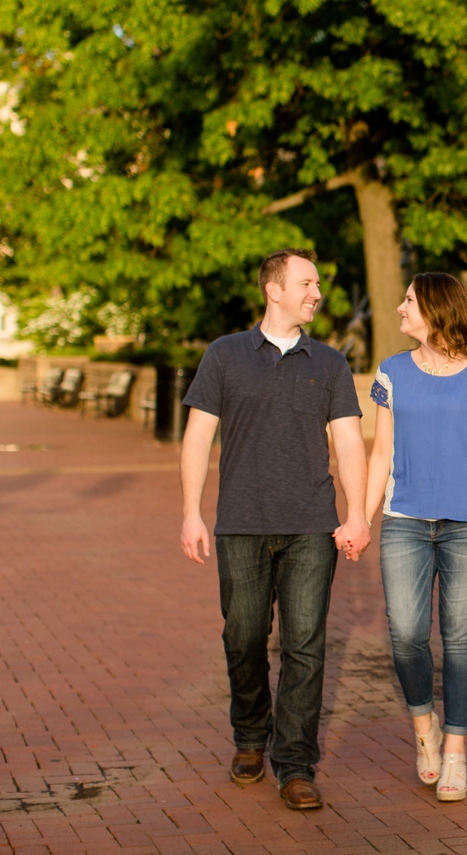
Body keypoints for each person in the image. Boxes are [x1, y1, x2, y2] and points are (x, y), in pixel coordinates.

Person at [179, 248, 370, 811]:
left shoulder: (331, 363)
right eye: (307, 283)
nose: (317, 293)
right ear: (274, 290)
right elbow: (197, 438)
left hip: (312, 524)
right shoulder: (225, 355)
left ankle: (295, 763)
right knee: (243, 637)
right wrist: (191, 511)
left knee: (305, 646)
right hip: (240, 523)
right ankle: (249, 737)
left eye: (317, 283)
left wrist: (357, 513)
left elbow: (350, 442)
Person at [365, 272, 467, 802]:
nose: (399, 307)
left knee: (460, 637)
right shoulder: (391, 373)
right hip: (404, 523)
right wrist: (360, 519)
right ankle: (425, 729)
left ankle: (455, 750)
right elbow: (380, 453)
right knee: (407, 635)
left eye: (409, 300)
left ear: (436, 309)